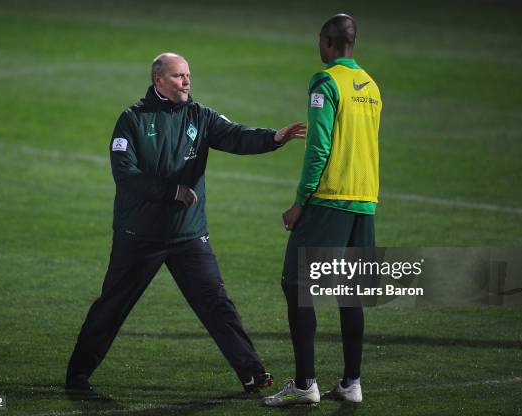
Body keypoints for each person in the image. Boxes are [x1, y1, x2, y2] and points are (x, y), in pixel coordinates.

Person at [65, 52, 306, 394]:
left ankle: (252, 373)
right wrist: (170, 191)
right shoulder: (132, 120)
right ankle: (77, 376)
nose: (187, 81)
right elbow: (125, 174)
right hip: (140, 236)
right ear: (158, 81)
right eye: (179, 76)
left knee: (216, 303)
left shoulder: (200, 115)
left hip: (188, 235)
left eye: (188, 75)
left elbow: (235, 135)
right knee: (112, 306)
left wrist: (273, 138)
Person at [263, 14, 382, 406]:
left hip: (330, 198)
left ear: (327, 42)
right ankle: (351, 383)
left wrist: (301, 202)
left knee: (295, 284)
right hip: (365, 202)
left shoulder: (325, 81)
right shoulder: (372, 87)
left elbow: (318, 147)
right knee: (351, 293)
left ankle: (304, 383)